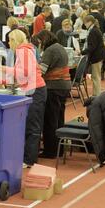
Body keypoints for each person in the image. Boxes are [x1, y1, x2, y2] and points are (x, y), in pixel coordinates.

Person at [0, 30, 46, 168]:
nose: (8, 43)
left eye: (10, 40)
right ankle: (28, 157)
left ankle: (30, 159)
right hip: (33, 89)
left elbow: (22, 73)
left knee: (32, 126)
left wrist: (2, 69)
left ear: (15, 40)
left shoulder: (22, 51)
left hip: (35, 90)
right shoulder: (25, 50)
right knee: (30, 124)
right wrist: (2, 78)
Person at [33, 30, 71, 159]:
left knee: (50, 120)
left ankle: (50, 150)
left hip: (53, 87)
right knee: (59, 119)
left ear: (43, 40)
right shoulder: (59, 47)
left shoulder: (50, 50)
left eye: (39, 42)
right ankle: (59, 148)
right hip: (64, 86)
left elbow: (41, 71)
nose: (39, 44)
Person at [81, 15, 105, 97]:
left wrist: (82, 52)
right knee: (96, 76)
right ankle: (96, 93)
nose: (84, 25)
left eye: (85, 23)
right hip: (98, 56)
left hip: (97, 57)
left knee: (96, 77)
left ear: (89, 22)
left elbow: (92, 46)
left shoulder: (93, 31)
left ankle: (97, 95)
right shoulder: (94, 30)